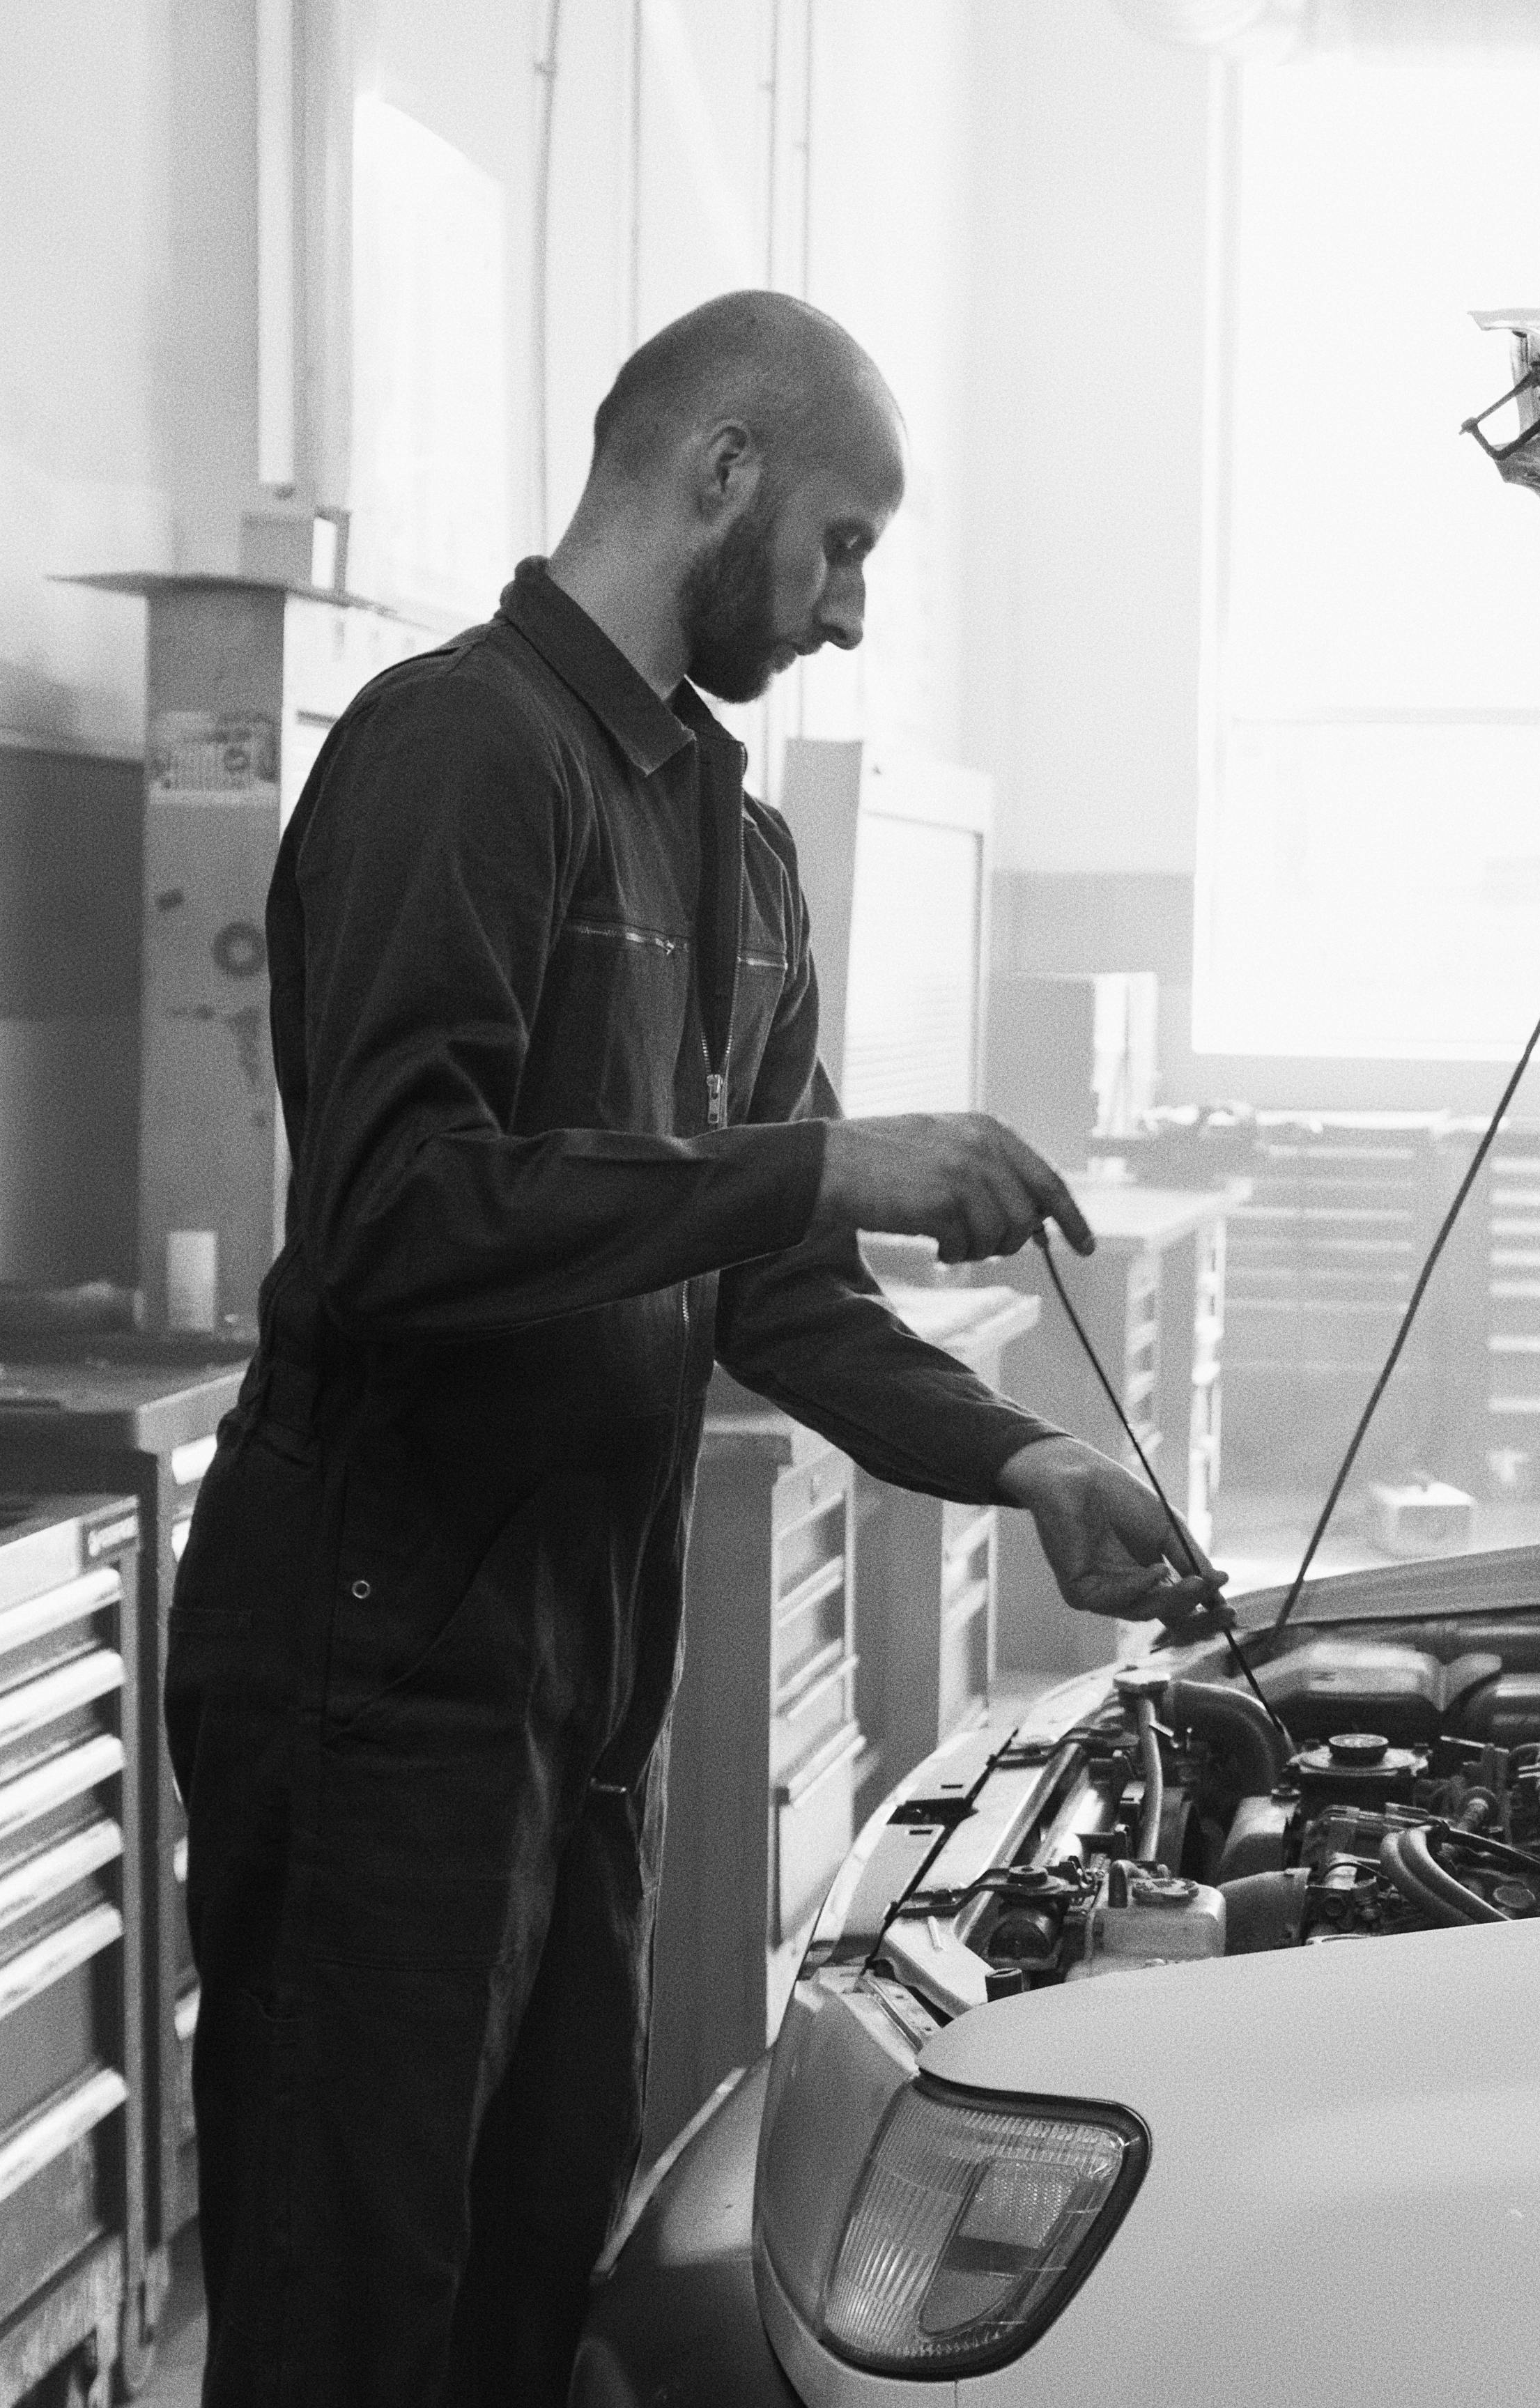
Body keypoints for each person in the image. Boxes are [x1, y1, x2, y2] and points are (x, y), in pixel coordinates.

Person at [164, 288, 1215, 2407]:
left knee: (536, 2253)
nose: (848, 610)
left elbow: (781, 1290)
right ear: (722, 472)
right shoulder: (461, 751)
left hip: (582, 1660)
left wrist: (1023, 1464)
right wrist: (814, 1161)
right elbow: (397, 1218)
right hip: (380, 1654)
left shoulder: (732, 848)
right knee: (354, 2297)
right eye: (842, 544)